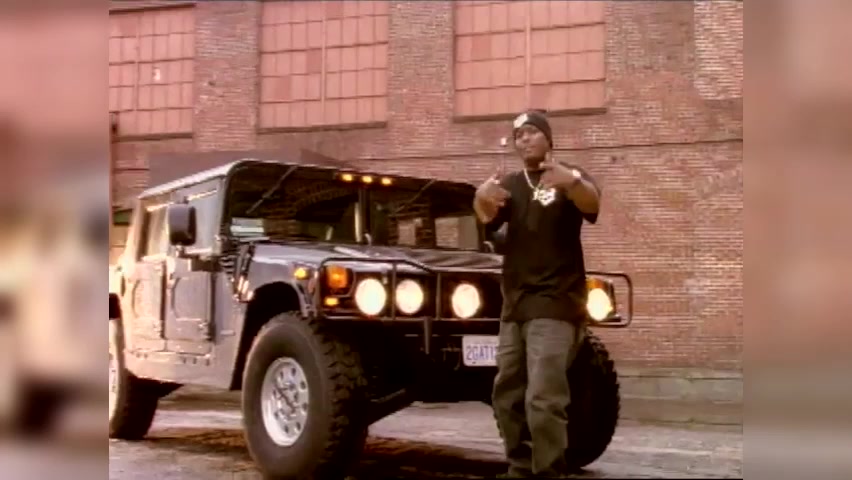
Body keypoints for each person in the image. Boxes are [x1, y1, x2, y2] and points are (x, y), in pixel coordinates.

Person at [473, 109, 602, 478]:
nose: (524, 139)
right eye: (519, 136)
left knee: (543, 398)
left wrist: (572, 183)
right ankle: (519, 466)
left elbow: (592, 204)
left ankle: (548, 472)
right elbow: (486, 217)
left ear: (548, 138)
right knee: (506, 394)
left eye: (531, 132)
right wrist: (481, 198)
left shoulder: (569, 176)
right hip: (515, 305)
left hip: (556, 303)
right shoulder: (512, 184)